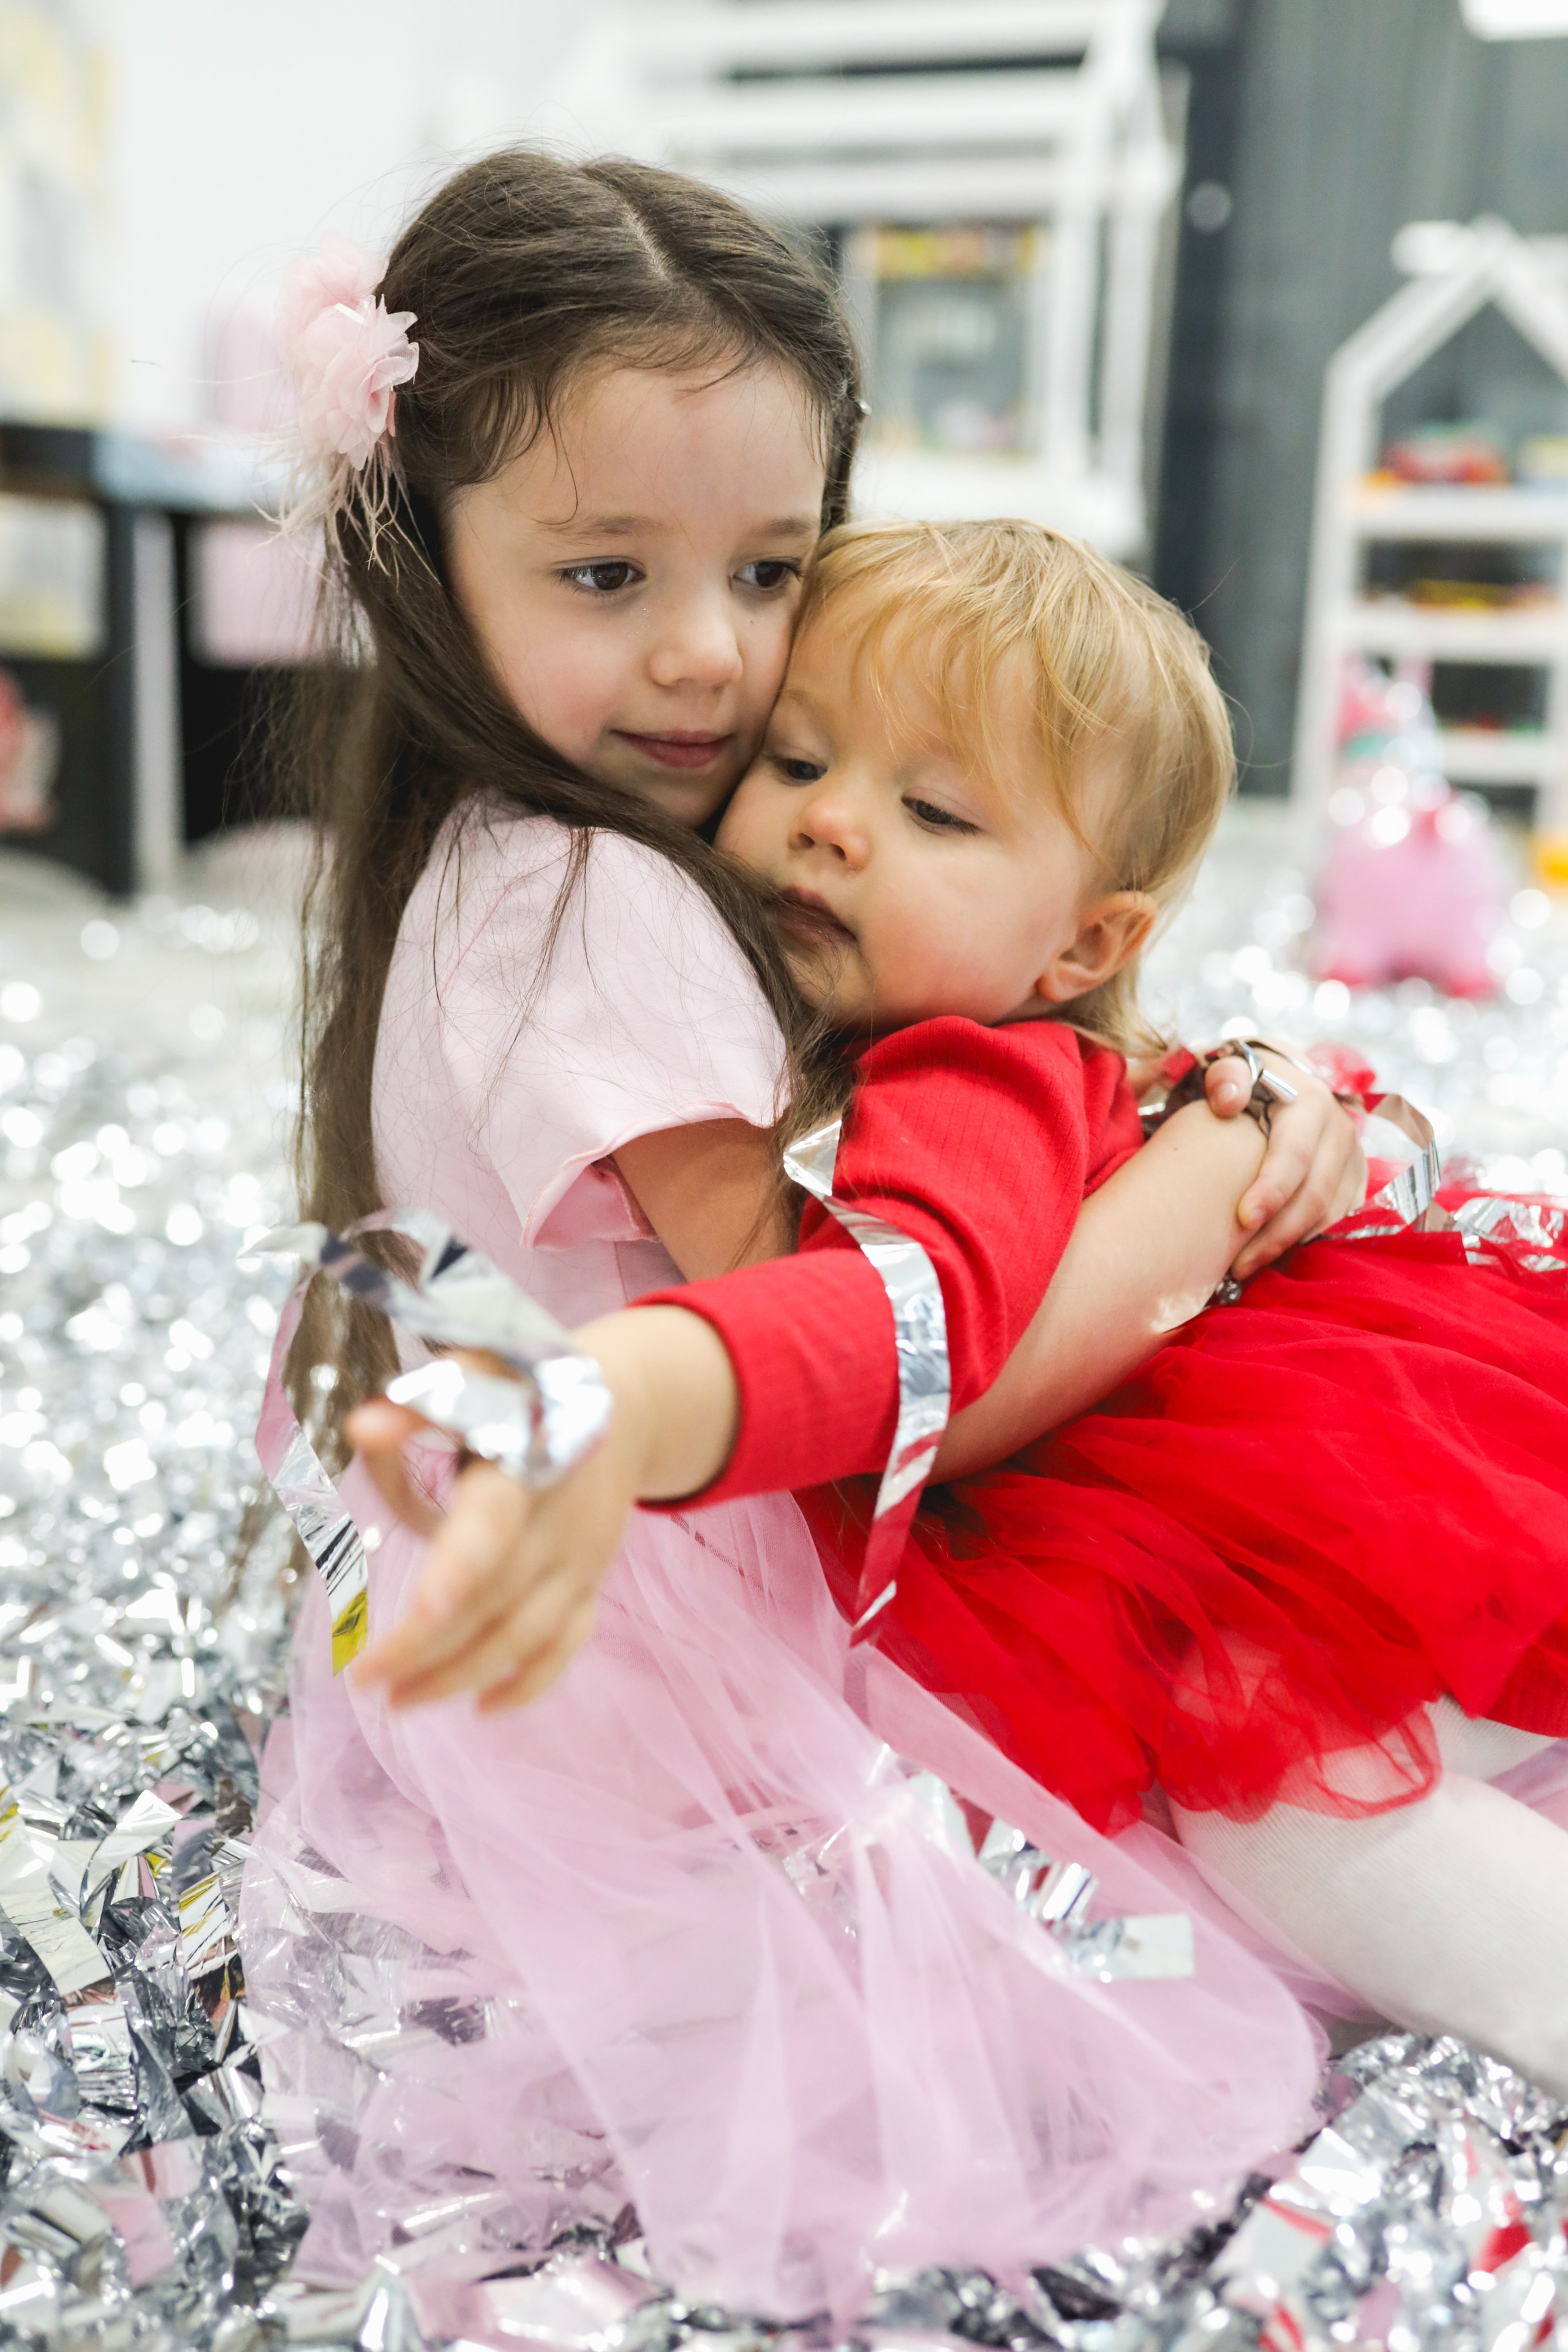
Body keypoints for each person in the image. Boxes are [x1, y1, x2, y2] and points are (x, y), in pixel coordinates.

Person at [243, 154, 1363, 2315]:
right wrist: (1220, 1172)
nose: (707, 655)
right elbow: (916, 1362)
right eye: (603, 573)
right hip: (703, 1557)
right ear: (418, 553)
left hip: (573, 1499)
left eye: (771, 568)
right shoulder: (603, 903)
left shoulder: (496, 849)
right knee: (1259, 1734)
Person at [353, 516, 1568, 2108]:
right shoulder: (922, 1047)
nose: (832, 826)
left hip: (1234, 1504)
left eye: (931, 811)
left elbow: (902, 1321)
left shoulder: (963, 1077)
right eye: (794, 764)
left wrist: (632, 1389)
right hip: (1226, 1465)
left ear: (1088, 943)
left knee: (1274, 1771)